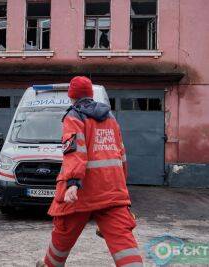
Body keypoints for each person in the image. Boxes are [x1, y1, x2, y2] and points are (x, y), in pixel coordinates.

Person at [37, 76, 143, 267]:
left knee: (63, 234)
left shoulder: (74, 116)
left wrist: (72, 184)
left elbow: (75, 152)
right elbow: (121, 156)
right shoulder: (110, 118)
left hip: (82, 192)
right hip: (111, 190)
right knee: (123, 241)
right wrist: (121, 187)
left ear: (72, 97)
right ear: (91, 95)